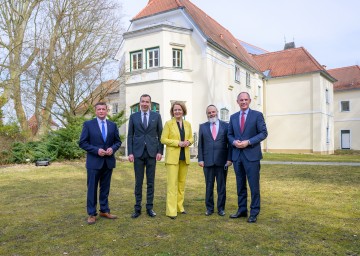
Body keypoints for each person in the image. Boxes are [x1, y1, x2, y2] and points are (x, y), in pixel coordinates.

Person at [79, 102, 122, 225]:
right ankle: (92, 214)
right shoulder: (88, 125)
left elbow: (117, 142)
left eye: (104, 109)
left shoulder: (113, 125)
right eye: (99, 109)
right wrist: (96, 150)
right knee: (92, 188)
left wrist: (112, 149)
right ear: (95, 111)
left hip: (108, 162)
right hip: (94, 162)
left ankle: (104, 210)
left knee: (105, 188)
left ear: (107, 111)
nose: (101, 111)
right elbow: (82, 143)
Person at [228, 92, 268, 223]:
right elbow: (229, 135)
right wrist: (234, 142)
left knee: (253, 186)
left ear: (250, 100)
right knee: (240, 185)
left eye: (246, 99)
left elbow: (263, 133)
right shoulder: (233, 117)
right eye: (241, 100)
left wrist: (248, 142)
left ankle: (254, 212)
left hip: (252, 156)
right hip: (237, 156)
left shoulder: (257, 115)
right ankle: (242, 210)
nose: (243, 102)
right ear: (237, 102)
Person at [127, 94, 163, 218]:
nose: (145, 104)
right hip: (137, 153)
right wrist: (130, 153)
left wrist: (160, 151)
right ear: (139, 103)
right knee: (138, 182)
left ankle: (149, 207)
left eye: (147, 102)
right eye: (143, 101)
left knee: (151, 182)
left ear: (150, 104)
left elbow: (160, 135)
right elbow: (130, 135)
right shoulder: (133, 117)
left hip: (152, 153)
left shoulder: (156, 116)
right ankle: (137, 208)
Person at [161, 101, 194, 219]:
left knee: (181, 184)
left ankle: (180, 207)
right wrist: (178, 143)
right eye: (175, 110)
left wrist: (189, 142)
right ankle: (171, 211)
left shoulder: (188, 124)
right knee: (172, 185)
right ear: (172, 111)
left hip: (184, 158)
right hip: (172, 159)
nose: (177, 112)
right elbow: (163, 139)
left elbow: (191, 138)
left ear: (183, 111)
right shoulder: (168, 124)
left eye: (179, 109)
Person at [198, 105, 232, 216]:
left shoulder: (226, 126)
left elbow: (230, 145)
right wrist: (200, 159)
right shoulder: (202, 127)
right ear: (206, 114)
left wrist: (229, 159)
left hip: (222, 161)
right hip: (207, 162)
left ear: (217, 112)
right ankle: (209, 208)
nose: (211, 114)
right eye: (209, 112)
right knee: (209, 186)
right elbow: (200, 145)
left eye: (213, 112)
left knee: (221, 186)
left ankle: (221, 208)